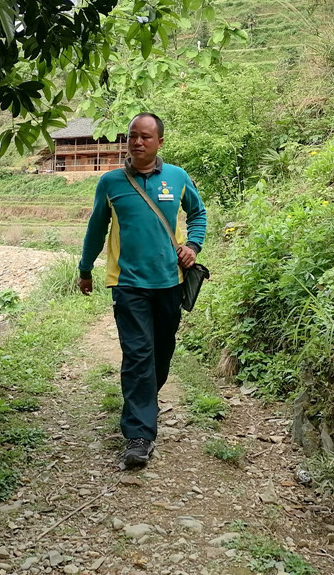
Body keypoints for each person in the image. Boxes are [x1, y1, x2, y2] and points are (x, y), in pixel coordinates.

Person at [78, 113, 206, 469]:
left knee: (161, 354)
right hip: (128, 284)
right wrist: (85, 269)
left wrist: (193, 245)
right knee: (137, 355)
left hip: (169, 282)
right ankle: (138, 435)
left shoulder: (177, 177)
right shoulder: (110, 183)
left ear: (159, 142)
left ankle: (144, 402)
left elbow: (198, 214)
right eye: (132, 135)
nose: (137, 142)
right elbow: (96, 228)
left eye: (145, 137)